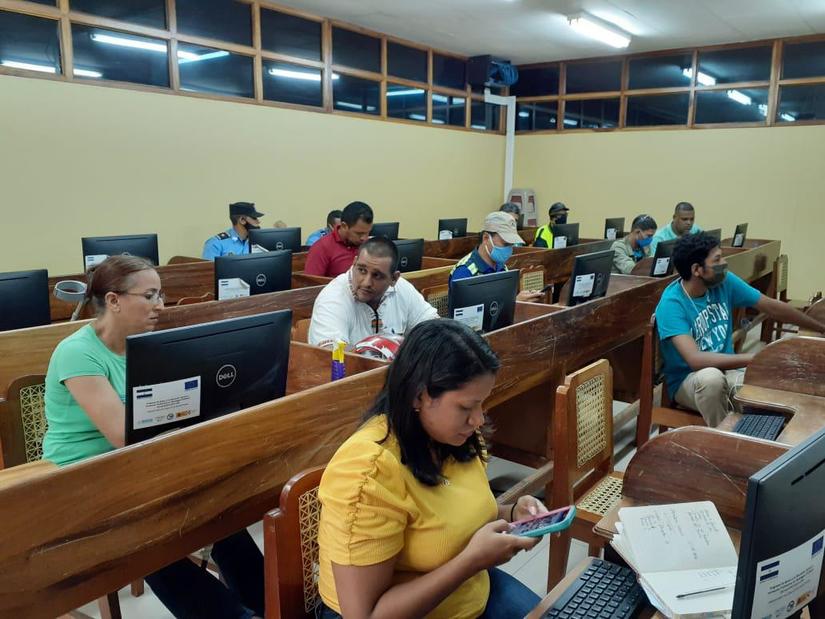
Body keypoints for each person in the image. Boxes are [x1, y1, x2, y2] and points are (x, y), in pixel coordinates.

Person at [42, 256, 265, 619]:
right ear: (113, 300)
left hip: (137, 467)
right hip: (78, 480)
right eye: (149, 296)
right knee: (150, 535)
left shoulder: (147, 346)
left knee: (219, 507)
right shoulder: (77, 353)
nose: (160, 305)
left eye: (160, 295)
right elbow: (123, 435)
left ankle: (270, 603)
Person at [317, 319, 545, 619]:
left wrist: (513, 513)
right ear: (419, 396)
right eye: (466, 407)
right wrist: (471, 561)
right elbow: (365, 615)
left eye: (481, 404)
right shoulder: (368, 472)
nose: (478, 419)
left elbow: (454, 518)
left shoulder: (455, 438)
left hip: (467, 589)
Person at [655, 233, 825, 427]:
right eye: (717, 259)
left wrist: (819, 326)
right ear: (697, 270)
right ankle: (725, 437)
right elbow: (695, 360)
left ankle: (766, 433)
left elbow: (771, 306)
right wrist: (757, 358)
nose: (724, 263)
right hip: (689, 381)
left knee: (776, 381)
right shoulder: (672, 303)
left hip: (727, 372)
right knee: (711, 379)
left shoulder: (723, 281)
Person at [308, 236, 439, 349]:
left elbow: (433, 329)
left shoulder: (402, 288)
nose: (366, 282)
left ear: (394, 279)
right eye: (362, 270)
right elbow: (331, 355)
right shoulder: (333, 297)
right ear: (354, 263)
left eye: (377, 275)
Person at [450, 212, 542, 302]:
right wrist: (515, 302)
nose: (509, 249)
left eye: (511, 244)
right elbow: (466, 311)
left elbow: (502, 301)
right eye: (505, 243)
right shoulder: (464, 271)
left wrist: (518, 300)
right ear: (486, 238)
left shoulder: (501, 266)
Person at [305, 201, 373, 278]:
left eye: (368, 233)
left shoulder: (369, 245)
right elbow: (311, 282)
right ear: (344, 226)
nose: (364, 238)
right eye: (359, 233)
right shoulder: (321, 247)